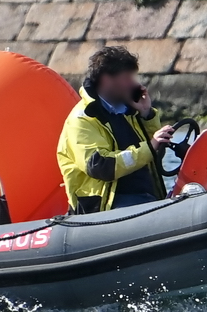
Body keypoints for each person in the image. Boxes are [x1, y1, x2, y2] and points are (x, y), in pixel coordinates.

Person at [56, 46, 175, 213]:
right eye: (127, 78)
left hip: (144, 197)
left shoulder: (128, 112)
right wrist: (150, 147)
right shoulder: (83, 119)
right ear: (107, 79)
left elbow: (153, 153)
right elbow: (100, 166)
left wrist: (146, 114)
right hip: (107, 209)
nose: (134, 84)